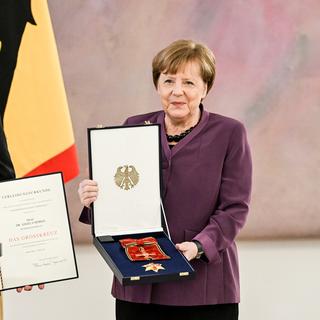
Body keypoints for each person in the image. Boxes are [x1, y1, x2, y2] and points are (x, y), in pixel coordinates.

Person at [78, 39, 252, 320]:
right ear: (157, 85)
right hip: (139, 281)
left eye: (189, 83)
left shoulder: (230, 133)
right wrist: (93, 197)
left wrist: (199, 246)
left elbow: (235, 209)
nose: (177, 91)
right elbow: (121, 193)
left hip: (205, 287)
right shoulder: (132, 126)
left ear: (206, 88)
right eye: (168, 80)